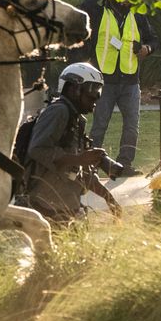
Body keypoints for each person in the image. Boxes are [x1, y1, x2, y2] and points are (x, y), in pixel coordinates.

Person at [73, 0, 158, 176]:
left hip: (130, 79)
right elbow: (83, 7)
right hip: (103, 80)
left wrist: (147, 49)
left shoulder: (138, 14)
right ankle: (91, 166)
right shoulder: (99, 11)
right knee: (100, 125)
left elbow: (153, 39)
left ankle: (124, 164)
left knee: (131, 125)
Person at [26, 64, 122, 224]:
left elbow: (78, 171)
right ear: (72, 89)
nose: (96, 99)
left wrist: (109, 198)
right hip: (46, 209)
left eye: (98, 92)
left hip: (67, 208)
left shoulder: (76, 119)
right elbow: (37, 149)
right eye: (92, 92)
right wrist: (79, 159)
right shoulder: (58, 112)